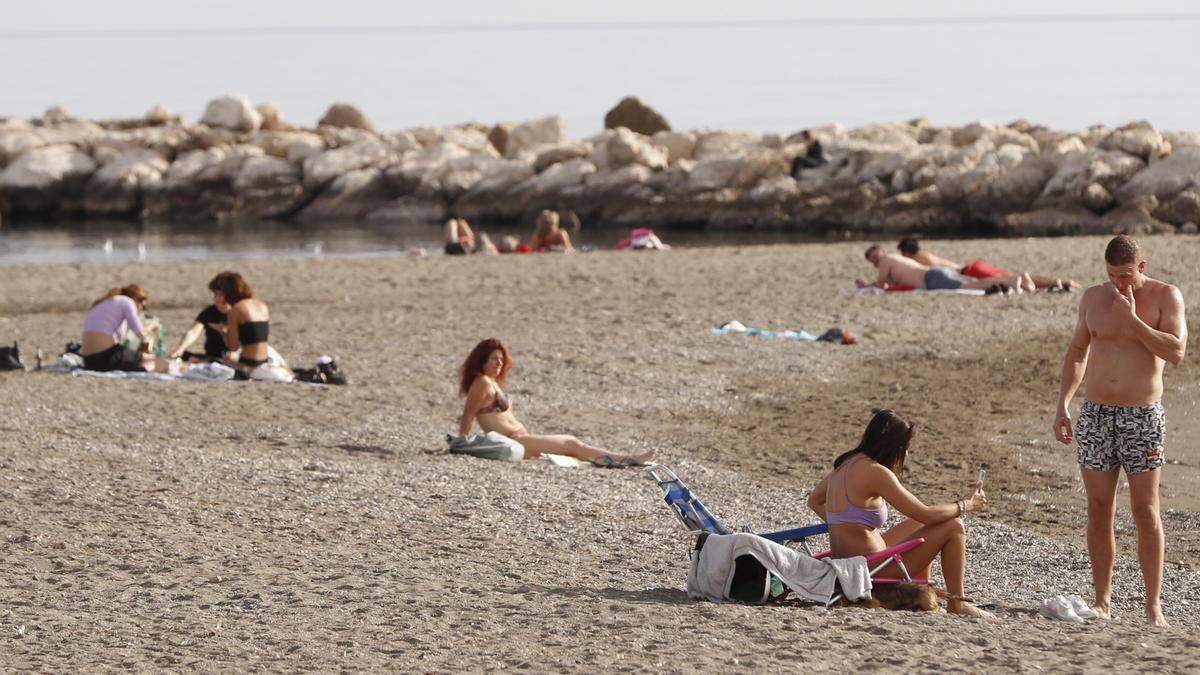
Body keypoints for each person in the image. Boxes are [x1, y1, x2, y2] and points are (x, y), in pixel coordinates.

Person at [1052, 235, 1186, 626]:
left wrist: (1133, 321)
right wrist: (1063, 404)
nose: (1118, 284)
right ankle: (1102, 601)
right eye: (1111, 275)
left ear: (1141, 268)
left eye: (1125, 275)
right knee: (1098, 509)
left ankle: (1153, 606)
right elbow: (1078, 352)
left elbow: (1176, 351)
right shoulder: (1094, 298)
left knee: (1145, 511)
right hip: (1096, 415)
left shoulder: (1166, 297)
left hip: (1141, 417)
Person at [807, 409, 993, 618]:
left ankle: (920, 588)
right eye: (905, 448)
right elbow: (927, 514)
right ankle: (958, 604)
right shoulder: (876, 472)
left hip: (850, 561)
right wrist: (967, 504)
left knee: (919, 525)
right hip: (871, 568)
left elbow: (814, 501)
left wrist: (848, 526)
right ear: (894, 446)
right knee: (954, 525)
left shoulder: (844, 465)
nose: (905, 454)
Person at [457, 338, 655, 467]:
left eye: (501, 360)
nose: (499, 364)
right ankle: (628, 459)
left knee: (572, 447)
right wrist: (460, 443)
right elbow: (468, 414)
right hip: (514, 441)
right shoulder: (481, 383)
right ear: (482, 360)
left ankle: (618, 459)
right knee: (571, 443)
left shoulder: (490, 383)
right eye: (493, 359)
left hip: (520, 438)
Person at [897, 237, 1079, 291]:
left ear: (906, 252)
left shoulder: (920, 259)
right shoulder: (925, 253)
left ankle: (1057, 283)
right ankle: (1057, 282)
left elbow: (933, 275)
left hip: (969, 270)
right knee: (1010, 277)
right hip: (972, 266)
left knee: (1013, 279)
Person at [857, 244, 1035, 293]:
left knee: (970, 286)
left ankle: (1013, 280)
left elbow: (880, 285)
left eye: (874, 257)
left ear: (880, 253)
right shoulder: (895, 259)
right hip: (934, 273)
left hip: (931, 279)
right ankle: (1013, 280)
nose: (875, 262)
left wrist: (865, 286)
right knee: (975, 283)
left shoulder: (885, 261)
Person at [80, 284, 169, 372]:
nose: (141, 309)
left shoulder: (104, 302)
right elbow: (141, 334)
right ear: (136, 300)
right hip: (106, 357)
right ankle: (140, 370)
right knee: (159, 361)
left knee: (139, 357)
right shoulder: (127, 302)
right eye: (143, 306)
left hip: (89, 361)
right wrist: (153, 325)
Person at [208, 271, 276, 377]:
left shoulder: (235, 310)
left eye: (219, 294)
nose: (216, 298)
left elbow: (233, 346)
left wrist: (223, 332)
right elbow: (256, 336)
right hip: (264, 361)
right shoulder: (261, 305)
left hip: (248, 363)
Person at [168, 298, 229, 363]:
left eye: (220, 295)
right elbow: (193, 332)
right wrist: (180, 348)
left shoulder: (236, 312)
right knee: (180, 356)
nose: (216, 298)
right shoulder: (210, 311)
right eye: (215, 294)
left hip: (229, 358)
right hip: (211, 356)